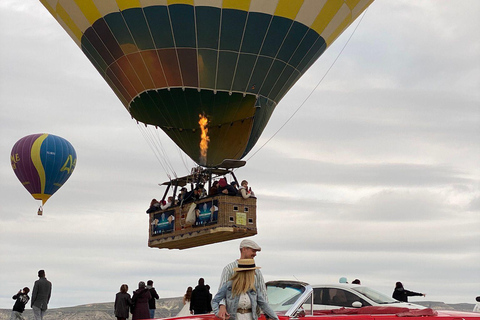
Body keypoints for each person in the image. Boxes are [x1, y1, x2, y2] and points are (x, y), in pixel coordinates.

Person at [212, 259, 278, 320]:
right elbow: (215, 301)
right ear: (248, 273)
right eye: (253, 271)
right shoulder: (229, 286)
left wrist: (275, 318)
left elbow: (264, 305)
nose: (254, 274)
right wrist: (218, 313)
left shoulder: (254, 288)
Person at [217, 239, 266, 320]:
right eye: (253, 251)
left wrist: (268, 314)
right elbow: (221, 292)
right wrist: (222, 306)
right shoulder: (229, 269)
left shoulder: (257, 272)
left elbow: (263, 294)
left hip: (252, 315)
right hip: (234, 315)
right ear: (244, 249)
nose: (255, 254)